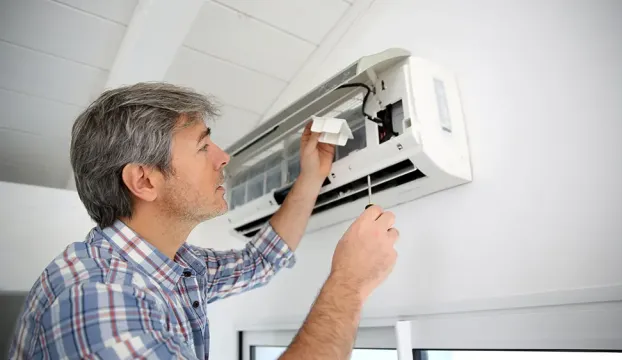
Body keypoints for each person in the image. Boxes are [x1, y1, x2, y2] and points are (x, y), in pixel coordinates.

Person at [9, 83, 399, 360]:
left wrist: (311, 175)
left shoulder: (173, 266)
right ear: (145, 180)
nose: (223, 156)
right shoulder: (98, 297)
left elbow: (259, 262)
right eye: (202, 146)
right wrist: (349, 284)